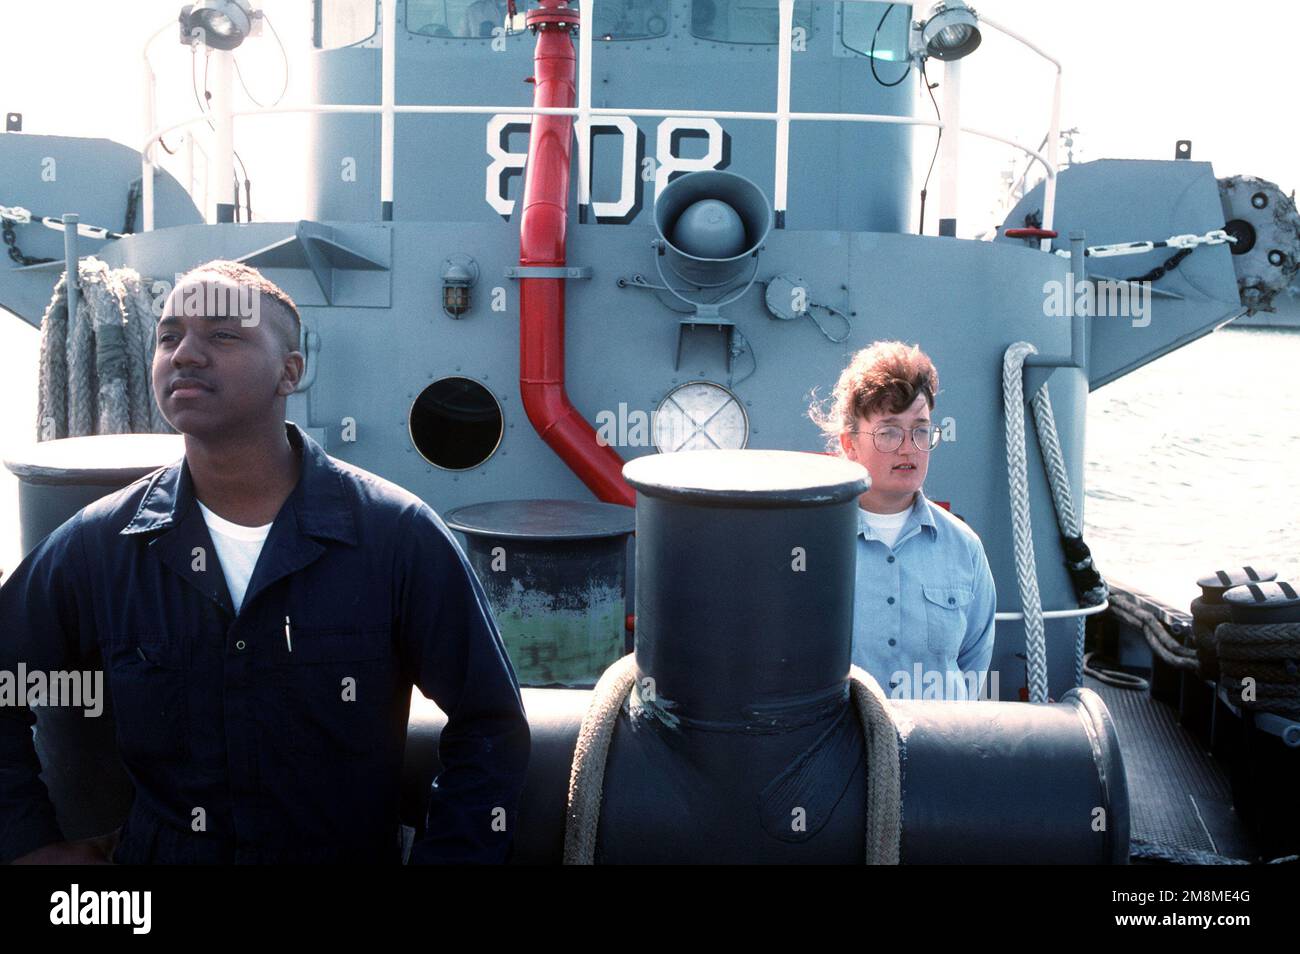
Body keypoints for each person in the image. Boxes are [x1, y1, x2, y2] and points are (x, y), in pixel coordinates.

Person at [0, 260, 530, 864]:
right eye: (169, 337)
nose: (186, 354)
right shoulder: (104, 546)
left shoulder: (394, 537)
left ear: (291, 372)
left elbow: (490, 722)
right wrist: (26, 845)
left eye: (224, 335)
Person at [812, 340, 996, 700]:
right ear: (849, 443)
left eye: (921, 429)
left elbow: (973, 664)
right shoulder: (811, 545)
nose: (908, 446)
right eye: (889, 431)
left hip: (940, 747)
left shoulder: (964, 548)